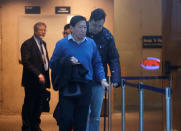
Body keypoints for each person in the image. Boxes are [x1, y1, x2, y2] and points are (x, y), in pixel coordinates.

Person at [49, 15, 109, 131]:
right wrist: (66, 60)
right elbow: (52, 63)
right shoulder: (62, 44)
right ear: (71, 28)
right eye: (80, 27)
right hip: (67, 86)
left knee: (81, 121)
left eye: (85, 27)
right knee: (66, 120)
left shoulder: (91, 43)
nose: (83, 30)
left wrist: (103, 79)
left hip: (85, 86)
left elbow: (97, 63)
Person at [86, 8, 121, 131]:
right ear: (89, 21)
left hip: (99, 79)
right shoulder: (81, 30)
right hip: (82, 79)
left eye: (100, 26)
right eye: (94, 25)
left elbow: (113, 58)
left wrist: (115, 78)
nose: (97, 28)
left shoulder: (107, 35)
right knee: (85, 113)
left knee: (96, 115)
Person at [20, 22, 50, 131]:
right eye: (41, 30)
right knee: (29, 104)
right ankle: (27, 127)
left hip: (42, 81)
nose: (43, 32)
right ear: (35, 31)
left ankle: (35, 125)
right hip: (32, 81)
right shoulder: (27, 44)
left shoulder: (43, 43)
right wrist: (38, 74)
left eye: (44, 30)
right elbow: (26, 62)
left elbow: (44, 60)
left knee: (39, 105)